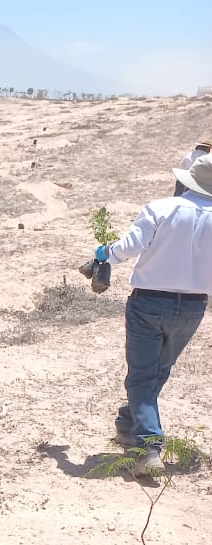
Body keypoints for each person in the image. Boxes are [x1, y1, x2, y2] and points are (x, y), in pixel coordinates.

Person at [92, 154, 212, 475]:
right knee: (158, 371)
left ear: (186, 181)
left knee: (143, 376)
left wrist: (106, 253)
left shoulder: (160, 208)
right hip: (193, 307)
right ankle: (127, 421)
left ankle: (147, 448)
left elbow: (130, 246)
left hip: (149, 303)